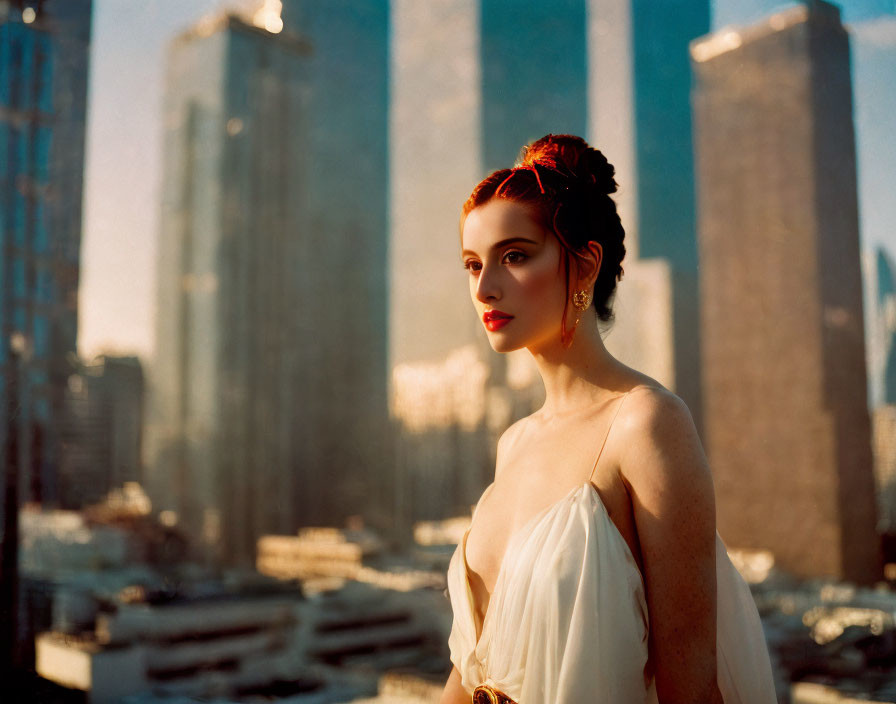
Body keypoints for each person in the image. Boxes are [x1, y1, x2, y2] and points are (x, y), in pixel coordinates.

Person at [439, 134, 777, 704]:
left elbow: (690, 687)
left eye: (515, 255)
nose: (484, 287)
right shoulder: (515, 442)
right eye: (473, 264)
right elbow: (469, 672)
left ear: (586, 263)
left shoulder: (647, 423)